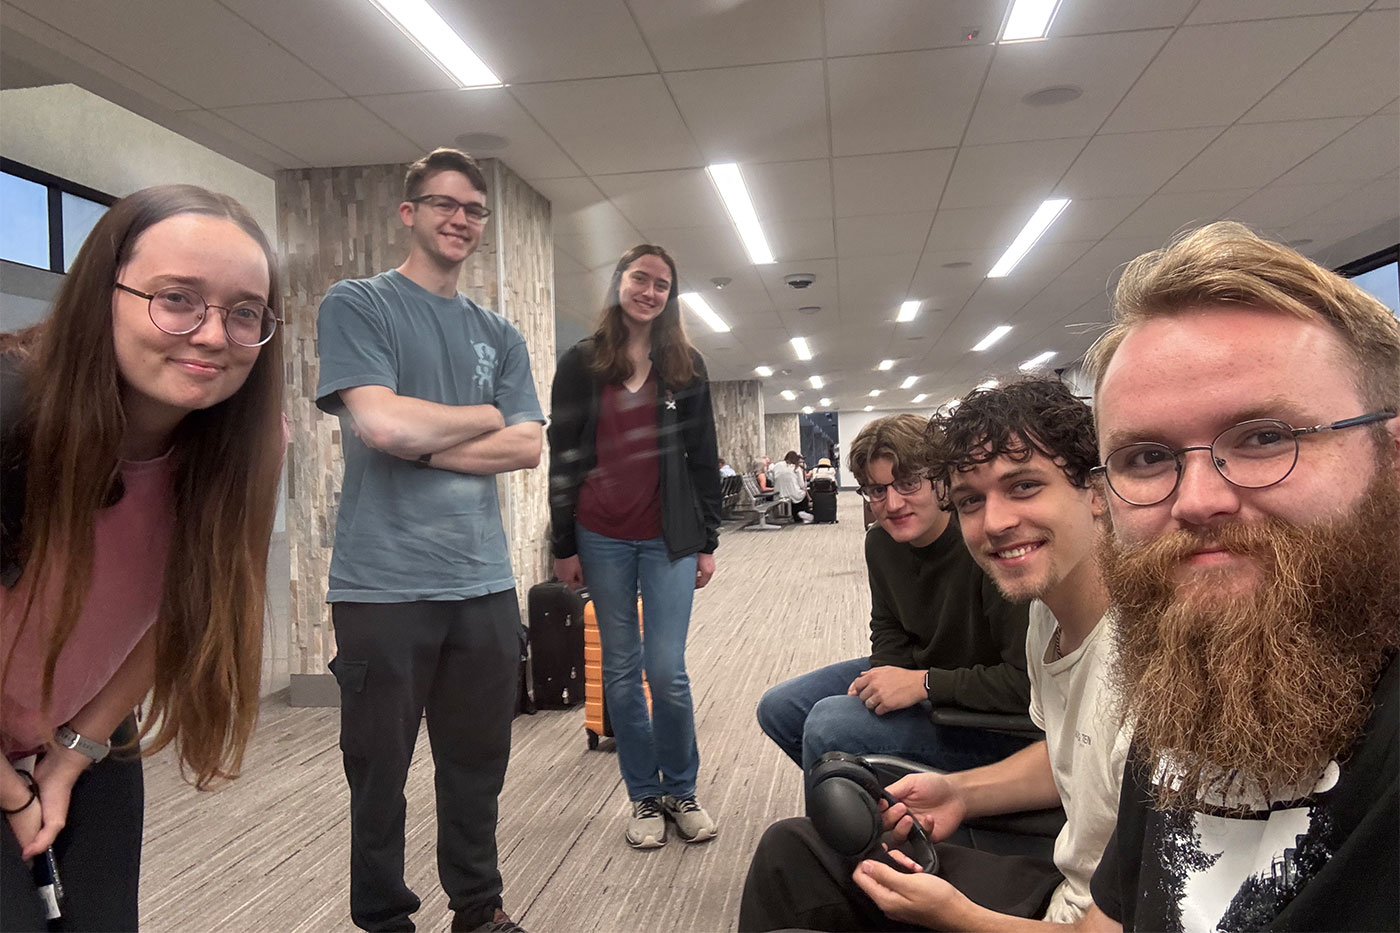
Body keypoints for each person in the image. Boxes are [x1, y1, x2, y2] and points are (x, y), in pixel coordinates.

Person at [1080, 222, 1399, 930]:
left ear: (1392, 453)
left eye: (1264, 437)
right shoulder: (1190, 672)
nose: (1197, 500)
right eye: (1146, 457)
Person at [739, 380, 1130, 931]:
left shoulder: (1150, 670)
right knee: (788, 821)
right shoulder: (1049, 613)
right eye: (973, 499)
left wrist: (958, 917)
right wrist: (958, 793)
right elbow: (1068, 757)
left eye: (1023, 486)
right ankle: (851, 823)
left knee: (830, 725)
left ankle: (853, 835)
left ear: (1096, 491)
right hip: (1054, 879)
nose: (994, 522)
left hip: (1059, 901)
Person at [0, 185, 285, 930]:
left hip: (76, 724)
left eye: (244, 311)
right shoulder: (11, 413)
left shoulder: (248, 444)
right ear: (105, 296)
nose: (213, 334)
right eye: (177, 298)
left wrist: (72, 753)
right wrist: (13, 790)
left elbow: (186, 607)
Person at [315, 148, 543, 933]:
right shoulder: (360, 304)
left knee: (477, 764)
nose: (461, 219)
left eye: (475, 209)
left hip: (482, 580)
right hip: (381, 585)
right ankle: (383, 917)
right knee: (377, 768)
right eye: (444, 203)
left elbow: (526, 447)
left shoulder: (499, 333)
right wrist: (481, 416)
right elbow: (377, 423)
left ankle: (478, 908)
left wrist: (419, 437)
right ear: (409, 212)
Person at [548, 244, 722, 851]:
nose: (649, 291)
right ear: (619, 283)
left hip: (668, 535)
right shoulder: (581, 363)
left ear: (671, 297)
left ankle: (683, 788)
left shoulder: (687, 366)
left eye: (662, 284)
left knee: (665, 670)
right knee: (621, 672)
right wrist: (562, 541)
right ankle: (643, 798)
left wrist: (708, 540)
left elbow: (703, 458)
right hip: (601, 534)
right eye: (639, 279)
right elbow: (564, 454)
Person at [756, 414, 1032, 775]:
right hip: (924, 678)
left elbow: (1025, 683)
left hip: (985, 717)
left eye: (908, 483)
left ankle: (854, 820)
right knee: (781, 708)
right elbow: (887, 626)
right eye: (877, 490)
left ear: (940, 481)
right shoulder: (880, 543)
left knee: (829, 725)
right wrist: (885, 676)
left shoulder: (984, 544)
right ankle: (872, 796)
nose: (893, 503)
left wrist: (924, 684)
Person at [772, 450, 813, 522]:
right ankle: (800, 514)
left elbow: (773, 478)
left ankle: (799, 515)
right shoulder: (796, 468)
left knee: (795, 493)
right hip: (793, 493)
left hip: (778, 493)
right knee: (802, 493)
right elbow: (801, 484)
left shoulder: (777, 465)